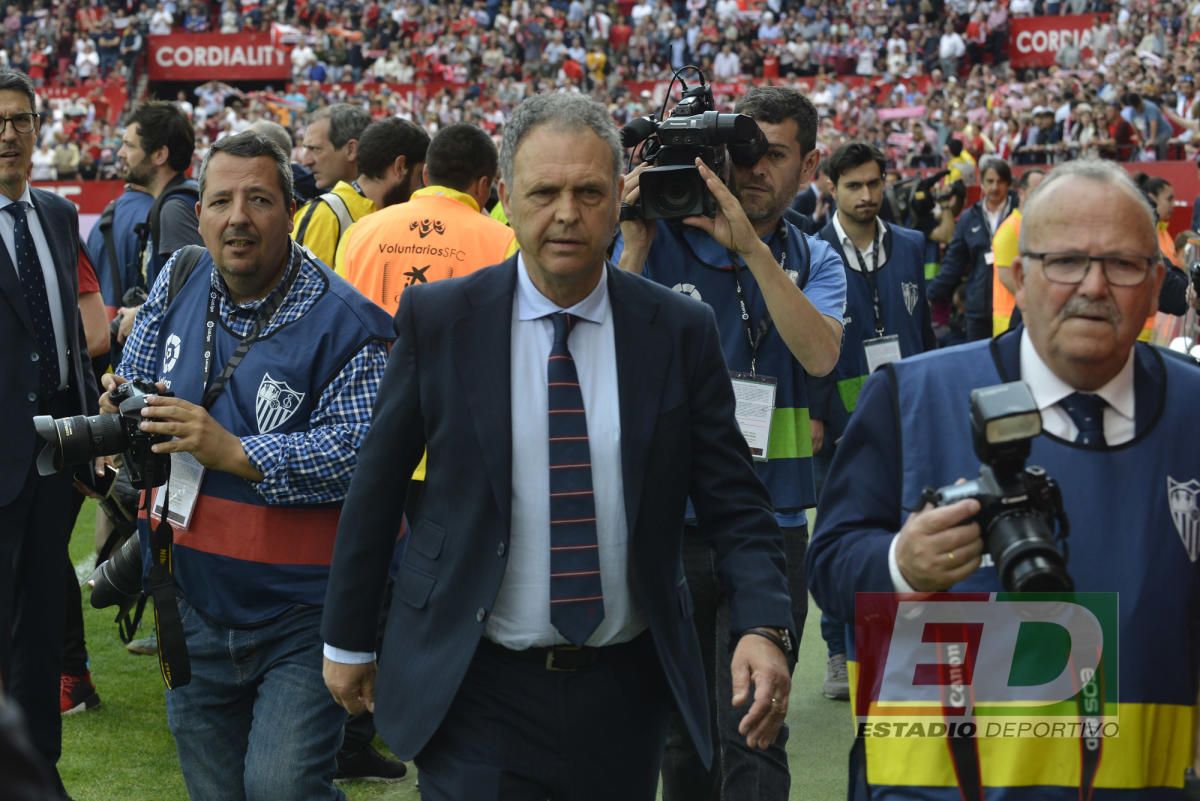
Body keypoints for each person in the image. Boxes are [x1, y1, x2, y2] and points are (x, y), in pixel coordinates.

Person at [321, 92, 794, 801]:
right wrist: (349, 639)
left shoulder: (677, 331)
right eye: (545, 191)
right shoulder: (441, 319)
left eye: (589, 191)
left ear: (619, 202)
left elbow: (736, 502)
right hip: (475, 682)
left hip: (625, 692)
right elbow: (377, 485)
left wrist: (762, 623)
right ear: (505, 199)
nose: (567, 213)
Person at [808, 158, 1199, 799]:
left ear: (1157, 280)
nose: (1094, 285)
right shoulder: (910, 398)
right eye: (1065, 260)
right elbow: (830, 565)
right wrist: (900, 564)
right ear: (1018, 275)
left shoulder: (1192, 411)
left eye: (1124, 265)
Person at [108, 131, 393, 801]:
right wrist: (124, 405)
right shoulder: (178, 277)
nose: (237, 216)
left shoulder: (350, 322)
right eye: (220, 200)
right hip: (189, 596)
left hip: (305, 612)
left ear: (290, 210)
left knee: (282, 787)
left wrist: (236, 451)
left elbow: (365, 455)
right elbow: (136, 379)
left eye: (258, 199)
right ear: (198, 211)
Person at [616, 85, 845, 801]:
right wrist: (632, 246)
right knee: (683, 737)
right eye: (741, 152)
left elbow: (821, 356)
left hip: (773, 529)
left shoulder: (814, 258)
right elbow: (595, 350)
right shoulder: (660, 240)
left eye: (773, 155)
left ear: (808, 167)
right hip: (672, 523)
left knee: (755, 729)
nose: (752, 169)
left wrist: (751, 249)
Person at [0, 67, 97, 799]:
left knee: (39, 632)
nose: (8, 134)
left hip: (52, 461)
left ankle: (39, 772)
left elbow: (67, 343)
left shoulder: (60, 218)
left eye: (20, 119)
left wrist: (89, 426)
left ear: (40, 128)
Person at [808, 141, 934, 702]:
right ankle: (838, 650)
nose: (867, 195)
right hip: (839, 418)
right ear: (831, 186)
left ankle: (901, 640)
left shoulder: (909, 245)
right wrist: (814, 411)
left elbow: (924, 331)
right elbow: (804, 341)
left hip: (905, 412)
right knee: (838, 535)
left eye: (874, 183)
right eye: (854, 185)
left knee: (907, 525)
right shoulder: (811, 251)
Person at [336, 122, 516, 312]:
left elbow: (339, 312)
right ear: (483, 185)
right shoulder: (506, 242)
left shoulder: (357, 232)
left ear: (426, 175)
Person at [111, 101, 203, 346]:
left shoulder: (174, 209)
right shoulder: (176, 202)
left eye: (129, 145)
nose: (121, 153)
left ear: (160, 155)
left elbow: (196, 292)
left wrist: (140, 314)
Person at [927, 156, 1017, 341]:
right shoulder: (969, 218)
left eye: (1000, 182)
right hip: (978, 308)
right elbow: (954, 263)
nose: (994, 187)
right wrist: (931, 294)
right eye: (989, 181)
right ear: (981, 184)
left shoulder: (1019, 215)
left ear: (1008, 184)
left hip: (1013, 309)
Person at [292, 105, 387, 267]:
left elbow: (299, 289)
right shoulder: (397, 202)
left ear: (351, 149)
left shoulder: (324, 213)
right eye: (305, 149)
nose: (306, 161)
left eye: (315, 149)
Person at [990, 167, 1045, 336]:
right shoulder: (1010, 230)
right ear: (1021, 193)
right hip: (1010, 318)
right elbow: (1006, 277)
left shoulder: (1034, 226)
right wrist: (1040, 306)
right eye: (1037, 191)